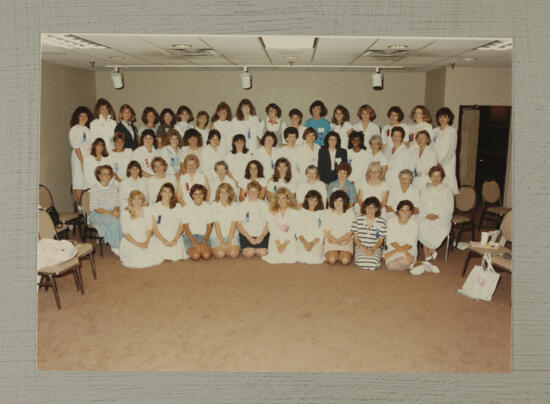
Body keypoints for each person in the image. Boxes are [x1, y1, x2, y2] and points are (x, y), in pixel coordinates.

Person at [418, 165, 454, 261]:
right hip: (426, 215)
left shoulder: (447, 190)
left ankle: (427, 250)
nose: (436, 178)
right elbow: (421, 204)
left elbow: (449, 208)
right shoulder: (426, 189)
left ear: (442, 177)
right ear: (430, 176)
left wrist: (438, 216)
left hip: (441, 218)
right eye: (433, 176)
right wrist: (426, 215)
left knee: (435, 226)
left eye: (438, 176)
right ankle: (430, 249)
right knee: (420, 224)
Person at [119, 190, 163, 268]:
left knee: (158, 255)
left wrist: (147, 241)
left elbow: (149, 229)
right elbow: (125, 233)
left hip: (145, 238)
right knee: (137, 261)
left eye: (139, 199)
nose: (137, 201)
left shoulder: (147, 210)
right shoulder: (125, 212)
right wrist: (138, 244)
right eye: (134, 199)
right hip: (132, 240)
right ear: (130, 201)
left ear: (143, 200)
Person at [88, 165, 123, 255]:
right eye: (104, 174)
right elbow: (95, 208)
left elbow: (117, 203)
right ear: (99, 176)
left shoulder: (114, 188)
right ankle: (116, 246)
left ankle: (126, 243)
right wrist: (111, 213)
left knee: (125, 217)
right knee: (114, 221)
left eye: (108, 174)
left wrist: (115, 210)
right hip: (97, 214)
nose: (107, 176)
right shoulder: (95, 189)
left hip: (111, 211)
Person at [150, 183, 187, 261]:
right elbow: (154, 228)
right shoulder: (154, 207)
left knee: (176, 255)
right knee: (158, 256)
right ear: (161, 193)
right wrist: (163, 240)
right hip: (160, 235)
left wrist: (175, 239)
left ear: (172, 194)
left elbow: (181, 226)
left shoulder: (178, 206)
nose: (167, 194)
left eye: (169, 192)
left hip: (175, 234)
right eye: (164, 191)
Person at [262, 187, 299, 264]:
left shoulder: (294, 211)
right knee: (274, 257)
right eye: (279, 198)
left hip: (289, 239)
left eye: (283, 198)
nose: (281, 201)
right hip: (275, 238)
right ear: (276, 200)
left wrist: (284, 245)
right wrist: (278, 244)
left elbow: (293, 229)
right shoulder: (271, 210)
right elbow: (271, 228)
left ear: (288, 199)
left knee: (291, 258)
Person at [383, 200, 423, 272]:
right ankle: (414, 265)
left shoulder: (414, 224)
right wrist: (394, 252)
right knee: (390, 266)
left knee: (403, 261)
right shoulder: (390, 222)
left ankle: (412, 264)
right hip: (394, 248)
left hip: (408, 250)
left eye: (407, 210)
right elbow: (391, 241)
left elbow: (410, 244)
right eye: (402, 210)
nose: (404, 213)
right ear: (398, 211)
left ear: (411, 212)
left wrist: (401, 253)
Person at [351, 197, 387, 270]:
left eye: (373, 207)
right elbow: (356, 239)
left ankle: (376, 258)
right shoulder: (357, 220)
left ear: (377, 209)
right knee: (360, 261)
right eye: (368, 207)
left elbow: (380, 240)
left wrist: (373, 249)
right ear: (364, 208)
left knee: (373, 263)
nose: (370, 210)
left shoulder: (382, 222)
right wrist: (364, 249)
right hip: (361, 246)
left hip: (375, 247)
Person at [237, 181, 270, 258]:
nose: (253, 193)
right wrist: (249, 237)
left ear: (259, 193)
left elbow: (268, 223)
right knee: (249, 253)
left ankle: (257, 248)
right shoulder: (242, 205)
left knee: (263, 253)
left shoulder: (264, 205)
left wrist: (261, 237)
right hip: (247, 235)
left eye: (256, 191)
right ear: (247, 192)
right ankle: (253, 248)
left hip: (261, 234)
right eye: (251, 191)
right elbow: (238, 225)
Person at [68, 106, 94, 203]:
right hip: (79, 158)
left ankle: (86, 207)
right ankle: (80, 208)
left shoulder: (88, 129)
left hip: (88, 158)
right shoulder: (75, 129)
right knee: (78, 181)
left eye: (85, 115)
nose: (84, 117)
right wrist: (82, 161)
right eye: (81, 115)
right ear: (77, 117)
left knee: (86, 183)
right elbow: (76, 146)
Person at [182, 184, 213, 261]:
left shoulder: (208, 207)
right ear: (192, 195)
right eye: (195, 194)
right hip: (190, 237)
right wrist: (195, 243)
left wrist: (204, 241)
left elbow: (209, 227)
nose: (198, 196)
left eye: (200, 194)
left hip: (203, 236)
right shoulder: (186, 207)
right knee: (196, 256)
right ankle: (193, 249)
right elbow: (186, 228)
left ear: (203, 195)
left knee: (206, 256)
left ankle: (202, 248)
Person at [432, 107, 459, 195]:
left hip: (447, 163)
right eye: (440, 117)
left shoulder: (452, 131)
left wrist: (441, 163)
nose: (442, 119)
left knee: (446, 186)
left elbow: (452, 150)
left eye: (445, 117)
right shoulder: (435, 130)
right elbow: (431, 147)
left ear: (449, 118)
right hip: (435, 162)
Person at [323, 190, 355, 265]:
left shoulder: (350, 212)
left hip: (345, 240)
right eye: (335, 201)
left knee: (345, 260)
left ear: (344, 202)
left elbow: (349, 234)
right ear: (332, 202)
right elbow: (327, 233)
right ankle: (334, 253)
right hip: (331, 240)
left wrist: (340, 240)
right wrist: (334, 240)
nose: (337, 203)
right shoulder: (328, 212)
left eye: (340, 201)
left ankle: (342, 253)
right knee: (332, 260)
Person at [210, 183, 241, 259]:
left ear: (229, 193)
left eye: (226, 192)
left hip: (232, 235)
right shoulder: (214, 204)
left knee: (233, 254)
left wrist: (229, 241)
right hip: (217, 236)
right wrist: (221, 242)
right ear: (218, 193)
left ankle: (228, 248)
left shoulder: (234, 205)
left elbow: (234, 224)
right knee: (220, 254)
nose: (224, 195)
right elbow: (216, 225)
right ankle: (220, 248)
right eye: (221, 192)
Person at [296, 190, 325, 264]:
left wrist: (312, 244)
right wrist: (305, 243)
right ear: (307, 199)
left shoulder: (322, 213)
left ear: (319, 202)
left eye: (316, 200)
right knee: (301, 257)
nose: (313, 202)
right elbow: (298, 230)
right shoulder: (301, 212)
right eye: (311, 199)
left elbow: (321, 232)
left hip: (316, 242)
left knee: (314, 258)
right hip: (303, 241)